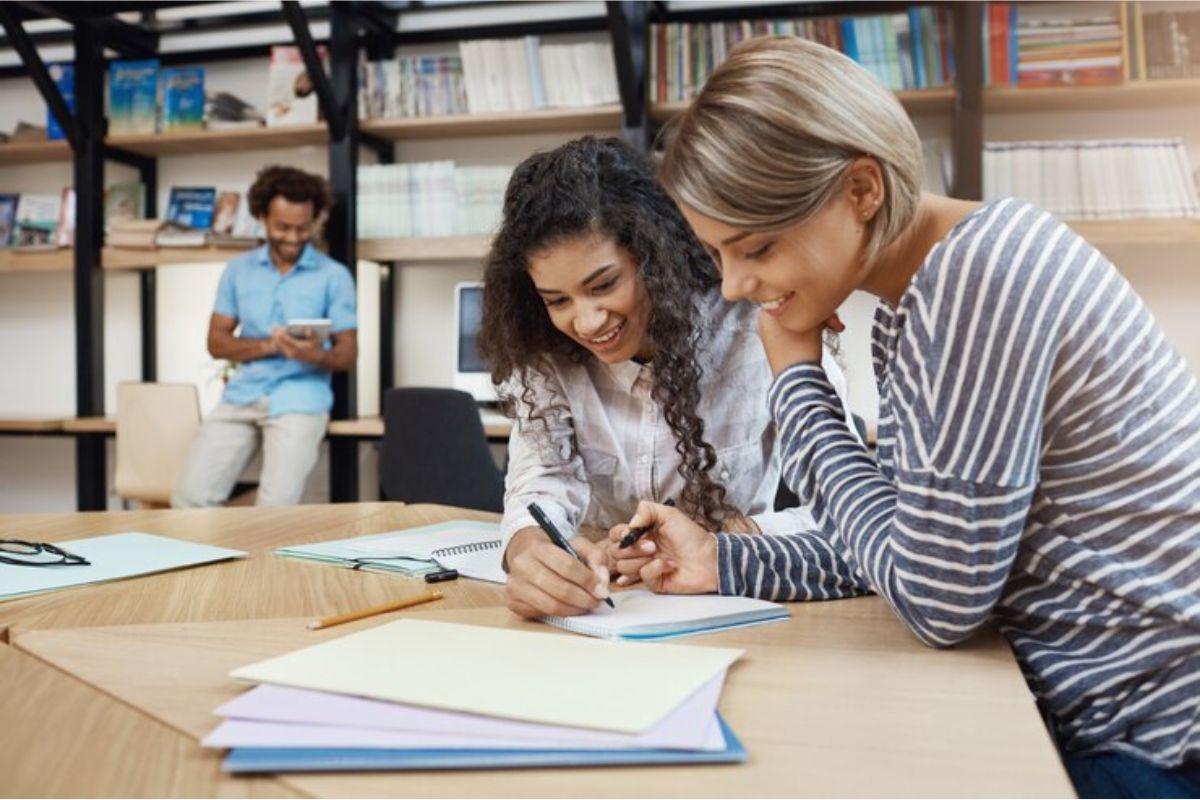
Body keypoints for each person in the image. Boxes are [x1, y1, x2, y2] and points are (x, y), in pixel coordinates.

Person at [609, 36, 1200, 797]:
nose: (732, 286)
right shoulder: (916, 305)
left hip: (1153, 739)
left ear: (861, 189)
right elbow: (906, 541)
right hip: (1100, 714)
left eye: (754, 247)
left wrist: (795, 376)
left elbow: (935, 602)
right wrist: (722, 561)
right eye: (719, 255)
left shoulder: (980, 282)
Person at [480, 136, 851, 620]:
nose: (588, 322)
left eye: (604, 285)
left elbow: (843, 512)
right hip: (605, 612)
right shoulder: (545, 351)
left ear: (652, 257)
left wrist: (726, 543)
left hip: (732, 603)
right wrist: (531, 553)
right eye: (558, 301)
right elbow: (543, 479)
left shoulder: (758, 327)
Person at [172, 166, 357, 508]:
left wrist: (314, 355)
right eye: (282, 227)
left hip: (300, 399)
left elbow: (347, 355)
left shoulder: (334, 276)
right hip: (242, 395)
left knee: (277, 507)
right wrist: (271, 345)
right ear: (261, 217)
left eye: (303, 228)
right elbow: (216, 343)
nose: (293, 237)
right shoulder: (238, 271)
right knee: (189, 499)